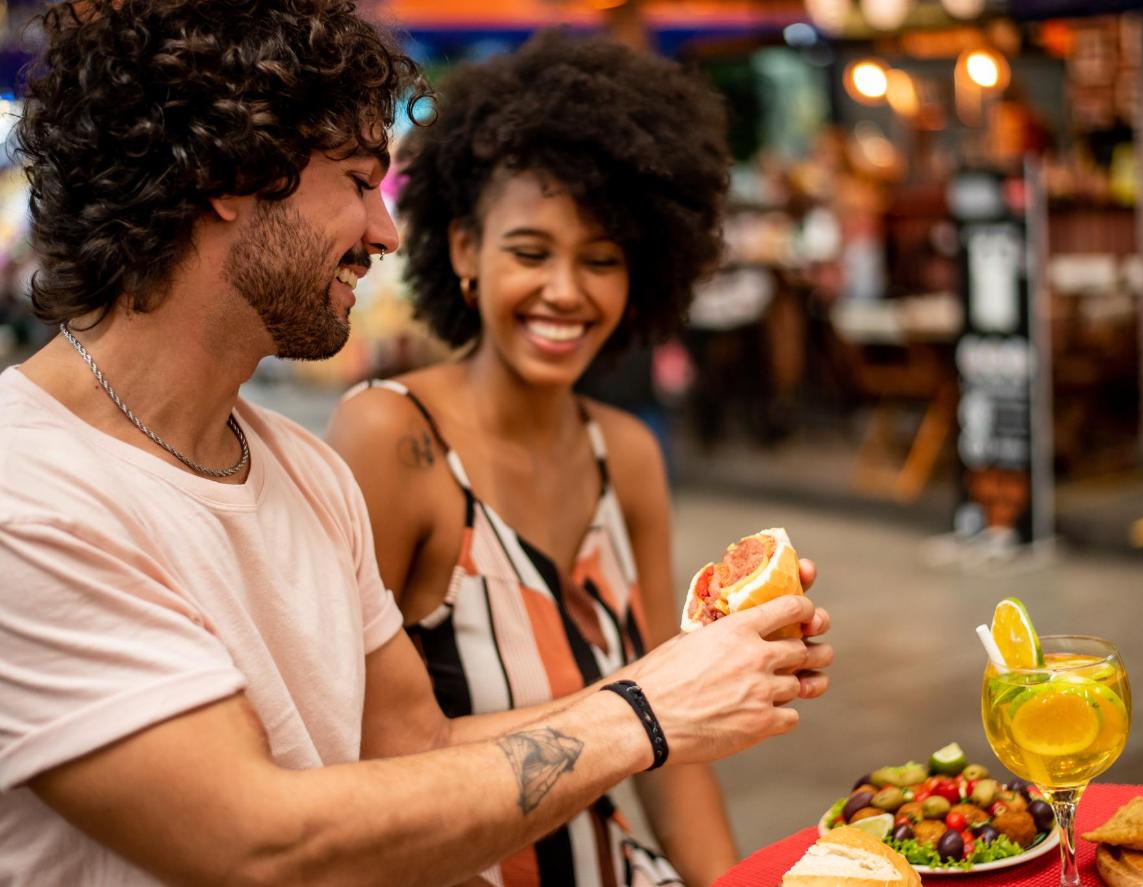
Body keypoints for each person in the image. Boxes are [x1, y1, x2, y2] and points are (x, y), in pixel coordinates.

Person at [0, 3, 833, 885]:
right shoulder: (29, 488)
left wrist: (693, 676)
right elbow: (252, 840)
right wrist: (649, 710)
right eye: (361, 181)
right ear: (230, 173)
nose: (386, 231)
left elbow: (417, 748)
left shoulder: (305, 471)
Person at [324, 30, 810, 886]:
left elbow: (679, 754)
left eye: (602, 261)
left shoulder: (626, 455)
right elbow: (354, 757)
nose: (566, 291)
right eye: (530, 252)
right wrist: (650, 707)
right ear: (465, 250)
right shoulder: (389, 437)